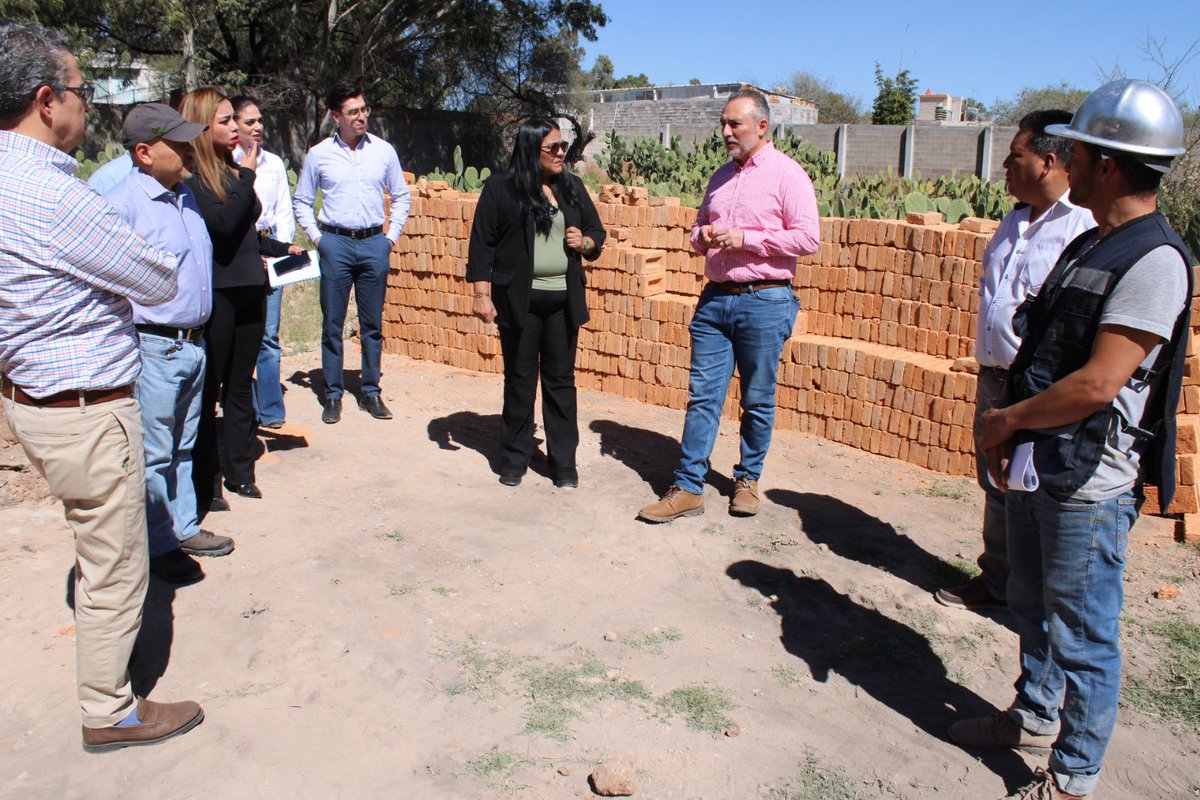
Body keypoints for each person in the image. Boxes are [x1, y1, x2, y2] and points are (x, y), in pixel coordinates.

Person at [949, 80, 1194, 800]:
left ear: (1109, 165)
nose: (1067, 161)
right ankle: (1032, 714)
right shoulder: (1095, 241)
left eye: (1079, 151)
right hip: (1041, 463)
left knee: (1083, 634)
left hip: (1090, 479)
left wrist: (1007, 420)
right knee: (1032, 606)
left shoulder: (1153, 261)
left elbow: (1096, 385)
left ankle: (1074, 774)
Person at [0, 22, 203, 750]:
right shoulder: (54, 195)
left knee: (97, 545)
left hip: (32, 399)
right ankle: (110, 709)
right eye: (83, 91)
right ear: (47, 100)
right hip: (86, 410)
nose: (89, 106)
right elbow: (152, 273)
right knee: (117, 566)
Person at [934, 111, 1095, 613]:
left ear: (1048, 162)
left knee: (1040, 486)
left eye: (1015, 155)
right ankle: (999, 581)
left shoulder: (1083, 227)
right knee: (996, 480)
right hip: (996, 377)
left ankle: (1042, 599)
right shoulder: (1012, 220)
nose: (1004, 165)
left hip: (1045, 386)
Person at [638, 89, 819, 522]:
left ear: (761, 125)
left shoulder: (788, 175)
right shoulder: (720, 176)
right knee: (702, 398)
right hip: (715, 300)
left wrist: (746, 238)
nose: (725, 132)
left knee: (757, 398)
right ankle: (687, 487)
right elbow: (698, 230)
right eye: (722, 123)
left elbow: (808, 238)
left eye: (733, 124)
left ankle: (747, 480)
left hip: (766, 299)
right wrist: (703, 236)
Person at [103, 103, 236, 584]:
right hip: (154, 346)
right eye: (177, 144)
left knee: (182, 444)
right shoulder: (122, 205)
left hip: (192, 345)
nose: (189, 151)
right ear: (143, 152)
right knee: (156, 451)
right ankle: (159, 547)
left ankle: (182, 527)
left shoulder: (183, 197)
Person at [466, 117, 606, 487]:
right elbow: (482, 245)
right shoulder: (500, 189)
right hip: (519, 303)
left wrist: (586, 243)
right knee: (520, 381)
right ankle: (514, 458)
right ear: (531, 150)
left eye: (564, 146)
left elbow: (596, 231)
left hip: (563, 303)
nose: (562, 153)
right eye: (554, 148)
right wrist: (481, 294)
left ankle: (564, 464)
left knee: (561, 383)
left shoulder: (571, 186)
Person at [179, 87, 301, 508]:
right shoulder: (191, 176)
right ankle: (206, 479)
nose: (236, 128)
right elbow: (224, 226)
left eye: (236, 120)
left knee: (239, 386)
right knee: (210, 388)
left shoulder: (233, 172)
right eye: (226, 120)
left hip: (252, 288)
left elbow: (246, 234)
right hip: (219, 295)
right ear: (201, 125)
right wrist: (248, 175)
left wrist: (282, 250)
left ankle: (240, 472)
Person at [293, 80, 411, 424]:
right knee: (333, 323)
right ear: (336, 116)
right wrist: (318, 239)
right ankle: (332, 394)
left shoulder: (383, 151)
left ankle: (371, 391)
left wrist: (390, 238)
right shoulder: (318, 155)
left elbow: (401, 196)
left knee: (372, 325)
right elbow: (302, 200)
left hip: (375, 244)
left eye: (364, 109)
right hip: (336, 245)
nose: (362, 116)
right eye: (353, 111)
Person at [230, 94, 295, 430]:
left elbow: (284, 210)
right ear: (234, 126)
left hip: (271, 253)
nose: (257, 127)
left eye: (259, 121)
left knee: (269, 335)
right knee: (242, 333)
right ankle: (244, 407)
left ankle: (271, 409)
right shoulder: (227, 164)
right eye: (249, 122)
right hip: (240, 253)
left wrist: (280, 251)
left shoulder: (274, 163)